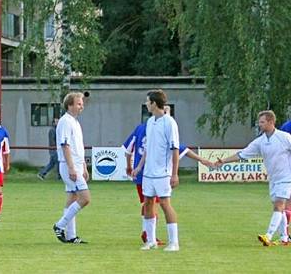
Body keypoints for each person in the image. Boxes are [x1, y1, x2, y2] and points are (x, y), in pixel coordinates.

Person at [124, 105, 214, 245]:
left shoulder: (149, 126)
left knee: (149, 203)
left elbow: (128, 148)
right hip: (153, 172)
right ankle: (149, 235)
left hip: (147, 173)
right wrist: (200, 161)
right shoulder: (154, 125)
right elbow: (180, 149)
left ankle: (150, 236)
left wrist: (131, 166)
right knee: (156, 203)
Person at [214, 110, 291, 246]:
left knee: (279, 205)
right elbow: (242, 154)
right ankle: (285, 238)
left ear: (271, 122)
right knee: (278, 206)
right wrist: (223, 161)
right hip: (273, 178)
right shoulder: (260, 141)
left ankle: (268, 235)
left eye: (262, 122)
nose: (259, 125)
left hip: (287, 177)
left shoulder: (285, 137)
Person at [131, 89, 181, 252]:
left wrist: (174, 173)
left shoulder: (169, 123)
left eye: (148, 102)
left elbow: (174, 149)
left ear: (154, 103)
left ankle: (174, 242)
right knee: (148, 203)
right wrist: (139, 167)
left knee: (165, 204)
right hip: (148, 173)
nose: (146, 104)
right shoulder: (151, 122)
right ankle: (150, 240)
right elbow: (148, 148)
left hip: (163, 173)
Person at [52, 92, 90, 244]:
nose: (82, 106)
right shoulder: (65, 121)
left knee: (72, 199)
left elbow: (77, 148)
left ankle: (71, 235)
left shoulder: (75, 122)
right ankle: (59, 225)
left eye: (82, 103)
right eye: (79, 103)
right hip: (69, 165)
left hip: (76, 165)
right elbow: (65, 146)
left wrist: (84, 167)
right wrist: (72, 168)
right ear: (70, 105)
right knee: (85, 198)